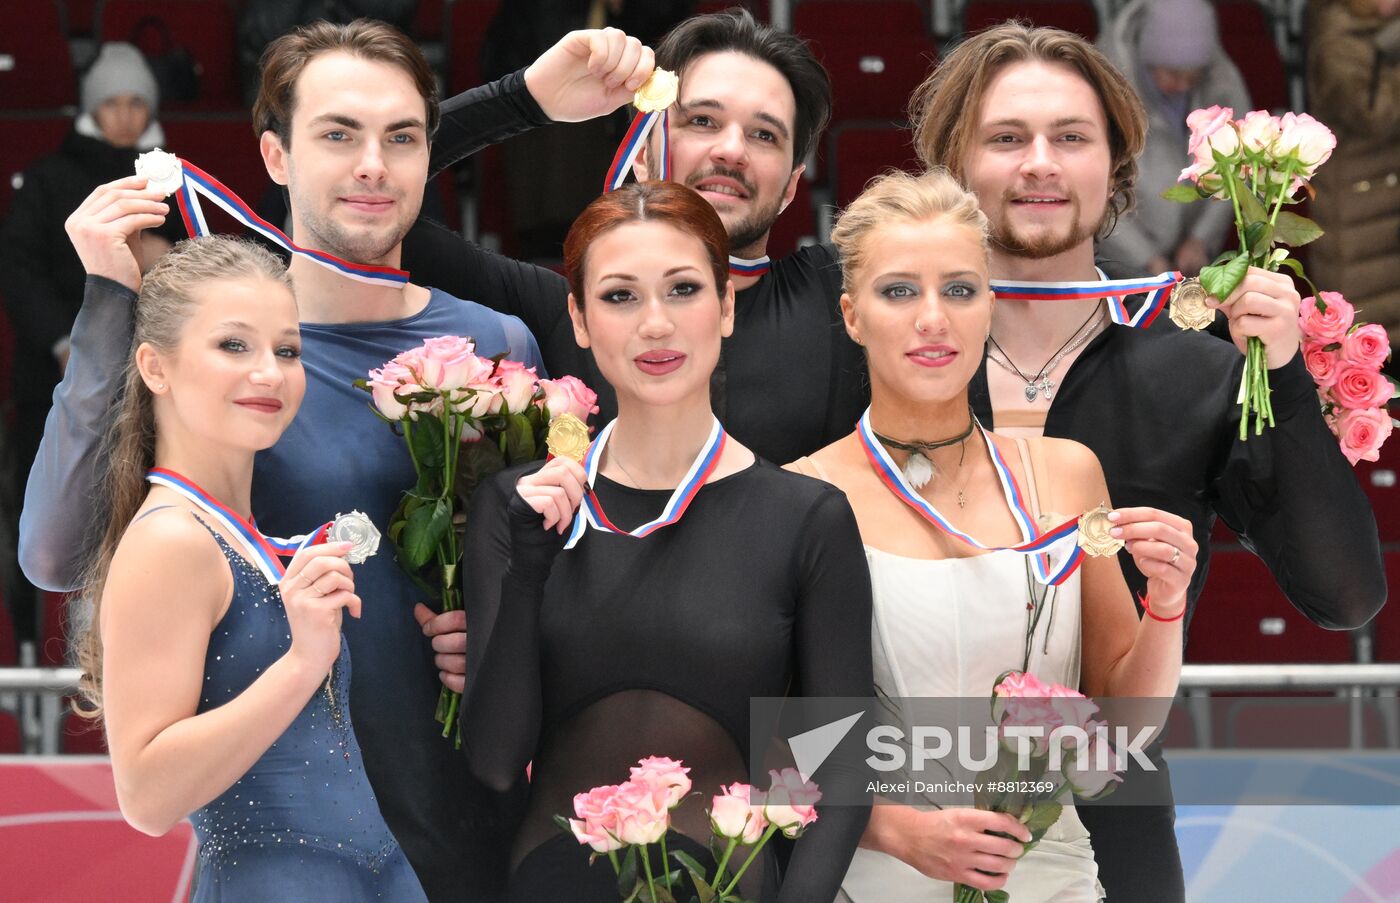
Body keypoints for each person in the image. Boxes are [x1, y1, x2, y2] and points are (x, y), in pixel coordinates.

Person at [16, 20, 655, 902]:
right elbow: (56, 552)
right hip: (299, 846)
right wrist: (103, 302)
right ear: (275, 157)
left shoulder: (499, 338)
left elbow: (556, 570)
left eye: (401, 139)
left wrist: (511, 632)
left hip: (481, 829)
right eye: (338, 134)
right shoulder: (230, 364)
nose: (372, 165)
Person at [908, 22, 1385, 901]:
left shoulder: (1198, 364)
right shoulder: (886, 349)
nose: (1040, 162)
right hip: (898, 825)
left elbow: (1343, 594)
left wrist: (1278, 372)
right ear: (953, 165)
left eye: (1072, 137)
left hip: (1114, 833)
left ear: (1116, 168)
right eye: (1007, 138)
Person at [460, 180, 873, 901]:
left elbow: (838, 776)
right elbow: (496, 763)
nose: (656, 323)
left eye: (683, 289)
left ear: (727, 304)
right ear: (580, 320)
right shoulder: (519, 506)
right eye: (620, 296)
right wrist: (527, 571)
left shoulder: (807, 518)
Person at [792, 167, 1191, 903]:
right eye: (899, 290)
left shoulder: (1068, 474)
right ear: (852, 315)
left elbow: (1125, 732)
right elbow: (760, 757)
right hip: (874, 883)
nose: (933, 318)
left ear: (990, 305)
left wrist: (1167, 604)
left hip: (1055, 882)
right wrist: (891, 828)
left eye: (960, 289)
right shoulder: (796, 496)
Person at [79, 235, 425, 901]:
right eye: (234, 345)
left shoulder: (238, 536)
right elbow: (147, 795)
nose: (269, 371)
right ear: (156, 365)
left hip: (372, 877)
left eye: (287, 350)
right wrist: (300, 665)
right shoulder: (171, 541)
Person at [420, 9, 867, 465]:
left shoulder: (846, 295)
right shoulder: (562, 311)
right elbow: (380, 206)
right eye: (702, 122)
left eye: (764, 134)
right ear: (641, 157)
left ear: (792, 185)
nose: (732, 150)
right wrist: (525, 99)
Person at [0, 42, 182, 649]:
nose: (125, 116)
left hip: (157, 383)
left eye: (137, 103)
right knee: (53, 522)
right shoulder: (50, 181)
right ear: (90, 108)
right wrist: (63, 339)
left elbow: (187, 269)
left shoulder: (169, 182)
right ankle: (44, 651)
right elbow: (18, 268)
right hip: (54, 384)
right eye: (113, 103)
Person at [1098, 0, 1251, 276]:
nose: (1182, 86)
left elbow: (1235, 170)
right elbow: (1097, 195)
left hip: (1192, 260)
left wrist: (1200, 240)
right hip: (1121, 262)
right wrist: (1146, 258)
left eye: (1192, 78)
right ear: (1147, 60)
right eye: (1172, 75)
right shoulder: (1105, 93)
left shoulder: (1221, 84)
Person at [1306, 0, 1400, 341]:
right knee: (1367, 336)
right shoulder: (1335, 42)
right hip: (1357, 206)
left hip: (1385, 205)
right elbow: (1371, 113)